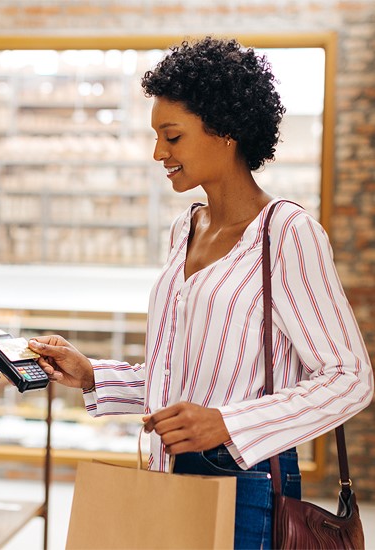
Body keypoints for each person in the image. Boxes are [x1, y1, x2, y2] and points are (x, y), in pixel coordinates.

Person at [28, 36, 373, 549]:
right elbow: (184, 375)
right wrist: (92, 375)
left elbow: (350, 379)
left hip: (246, 483)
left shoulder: (286, 234)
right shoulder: (184, 230)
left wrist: (227, 424)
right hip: (167, 468)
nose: (157, 152)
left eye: (173, 136)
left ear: (226, 132)